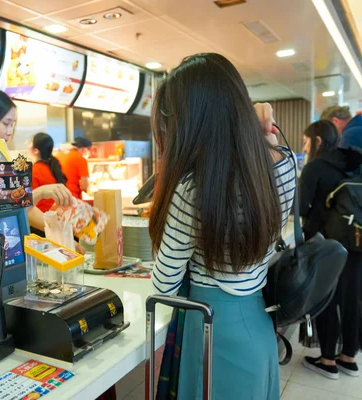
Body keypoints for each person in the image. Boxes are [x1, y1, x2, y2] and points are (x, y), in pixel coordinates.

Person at [150, 53, 296, 399]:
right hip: (258, 322)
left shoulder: (192, 188)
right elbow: (264, 150)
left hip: (211, 331)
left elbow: (163, 286)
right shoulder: (284, 166)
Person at [299, 120, 362, 379]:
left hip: (326, 245)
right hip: (357, 243)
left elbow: (300, 210)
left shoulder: (316, 167)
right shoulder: (355, 161)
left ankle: (327, 361)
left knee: (326, 298)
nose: (304, 146)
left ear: (317, 141)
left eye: (305, 141)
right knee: (353, 299)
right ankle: (348, 357)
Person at [0, 89, 74, 232]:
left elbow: (24, 209)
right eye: (6, 123)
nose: (10, 131)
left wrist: (59, 232)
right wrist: (39, 193)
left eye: (12, 125)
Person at [28, 132, 68, 213]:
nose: (28, 145)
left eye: (30, 142)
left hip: (41, 218)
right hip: (56, 215)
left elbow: (29, 202)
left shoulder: (34, 170)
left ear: (36, 151)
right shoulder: (53, 166)